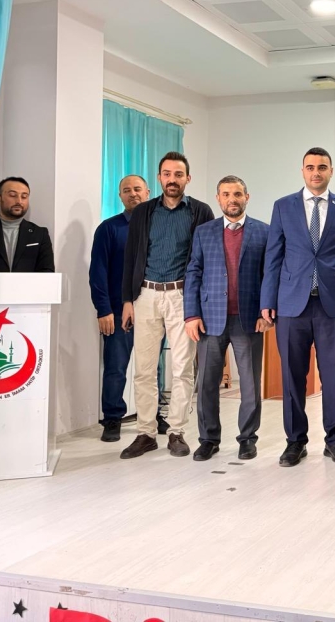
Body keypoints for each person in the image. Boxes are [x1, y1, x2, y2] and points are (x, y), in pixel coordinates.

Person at [260, 147, 335, 467]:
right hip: (291, 305)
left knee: (333, 375)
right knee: (293, 376)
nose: (316, 172)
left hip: (333, 304)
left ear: (331, 171)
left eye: (322, 167)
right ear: (302, 171)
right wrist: (267, 300)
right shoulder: (283, 206)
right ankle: (295, 441)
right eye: (310, 167)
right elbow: (273, 256)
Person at [119, 152, 214, 460]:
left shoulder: (201, 211)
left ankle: (176, 432)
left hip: (182, 296)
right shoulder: (144, 211)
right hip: (145, 295)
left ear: (188, 178)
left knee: (182, 368)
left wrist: (199, 305)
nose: (172, 179)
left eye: (178, 174)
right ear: (159, 177)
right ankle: (146, 433)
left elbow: (207, 260)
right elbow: (131, 256)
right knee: (144, 369)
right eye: (167, 174)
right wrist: (127, 300)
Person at [184, 176, 271, 462]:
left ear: (247, 197)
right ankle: (208, 439)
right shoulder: (203, 232)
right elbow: (193, 273)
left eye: (237, 194)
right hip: (210, 320)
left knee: (250, 384)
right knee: (207, 384)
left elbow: (270, 275)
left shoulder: (264, 232)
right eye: (225, 194)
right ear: (218, 198)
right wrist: (191, 314)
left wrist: (266, 311)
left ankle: (247, 439)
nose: (231, 199)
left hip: (249, 320)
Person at [89, 174, 149, 442]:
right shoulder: (108, 229)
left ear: (147, 192)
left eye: (137, 189)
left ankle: (153, 415)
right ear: (120, 196)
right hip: (116, 311)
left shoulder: (157, 227)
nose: (132, 193)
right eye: (126, 190)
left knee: (152, 368)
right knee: (115, 368)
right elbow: (98, 271)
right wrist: (103, 309)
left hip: (152, 310)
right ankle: (112, 418)